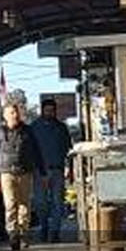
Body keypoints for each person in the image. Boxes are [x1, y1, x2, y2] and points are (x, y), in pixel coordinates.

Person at [0, 102, 45, 251]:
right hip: (6, 173)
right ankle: (13, 235)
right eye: (11, 113)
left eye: (16, 112)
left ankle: (24, 233)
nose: (15, 115)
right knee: (10, 205)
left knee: (24, 205)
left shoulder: (27, 131)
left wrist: (42, 173)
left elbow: (37, 152)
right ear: (5, 115)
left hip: (25, 172)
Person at [29, 99, 73, 243]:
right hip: (39, 170)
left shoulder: (61, 128)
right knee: (41, 203)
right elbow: (31, 150)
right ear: (42, 111)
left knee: (57, 202)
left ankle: (55, 231)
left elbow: (68, 149)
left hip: (57, 169)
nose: (50, 113)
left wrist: (69, 168)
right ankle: (44, 228)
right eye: (47, 110)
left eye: (52, 110)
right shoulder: (34, 127)